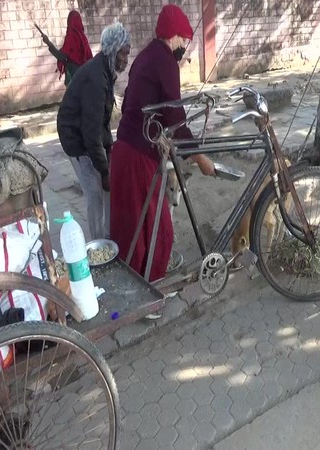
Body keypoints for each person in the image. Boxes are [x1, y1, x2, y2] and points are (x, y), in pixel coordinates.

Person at [110, 4, 215, 282]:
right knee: (157, 228)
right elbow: (175, 115)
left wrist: (161, 137)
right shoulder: (165, 61)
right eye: (184, 40)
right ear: (174, 36)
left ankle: (132, 284)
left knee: (131, 226)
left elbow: (141, 104)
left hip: (125, 148)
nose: (184, 47)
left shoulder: (145, 56)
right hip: (138, 156)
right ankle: (152, 290)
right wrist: (200, 158)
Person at [57, 22, 131, 241]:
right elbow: (91, 135)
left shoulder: (105, 70)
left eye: (127, 54)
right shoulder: (96, 79)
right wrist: (105, 170)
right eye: (123, 54)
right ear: (112, 51)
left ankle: (110, 237)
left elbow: (102, 124)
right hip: (75, 140)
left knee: (108, 187)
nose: (126, 60)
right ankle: (99, 245)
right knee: (95, 193)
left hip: (87, 134)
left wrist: (109, 154)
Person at [41, 10, 93, 87]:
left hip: (73, 76)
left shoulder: (71, 36)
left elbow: (61, 56)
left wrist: (48, 43)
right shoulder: (83, 38)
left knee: (72, 99)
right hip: (85, 76)